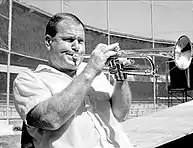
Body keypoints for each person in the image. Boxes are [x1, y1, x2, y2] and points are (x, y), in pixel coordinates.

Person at [13, 12, 133, 148]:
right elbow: (49, 119)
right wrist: (91, 70)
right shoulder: (29, 79)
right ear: (48, 42)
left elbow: (121, 114)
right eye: (69, 40)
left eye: (81, 41)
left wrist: (121, 78)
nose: (77, 47)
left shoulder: (96, 74)